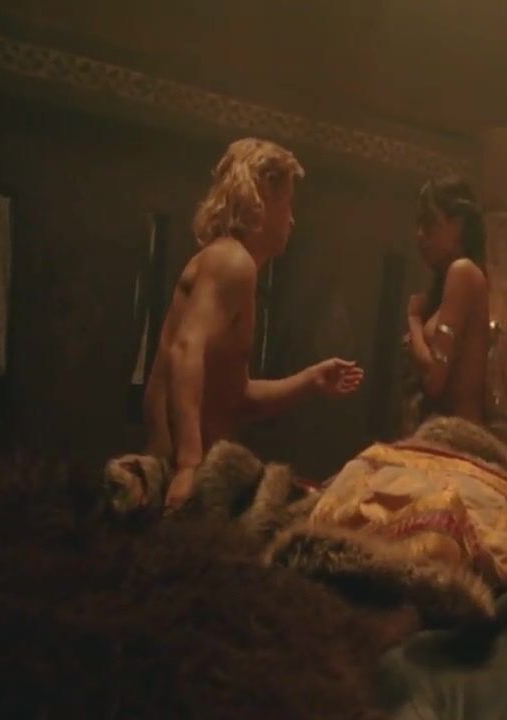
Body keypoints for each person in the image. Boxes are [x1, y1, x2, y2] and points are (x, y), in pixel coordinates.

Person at [144, 138, 363, 512]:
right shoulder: (233, 262)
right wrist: (188, 464)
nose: (292, 219)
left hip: (202, 479)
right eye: (287, 203)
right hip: (180, 480)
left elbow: (236, 398)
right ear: (262, 198)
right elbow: (185, 349)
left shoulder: (232, 266)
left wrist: (311, 380)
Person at [403, 176, 491, 428]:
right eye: (418, 224)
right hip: (440, 428)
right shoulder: (450, 280)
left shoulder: (463, 271)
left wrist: (414, 322)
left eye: (430, 223)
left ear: (458, 225)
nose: (420, 234)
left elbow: (434, 380)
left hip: (456, 433)